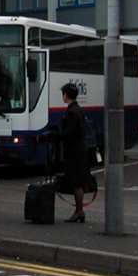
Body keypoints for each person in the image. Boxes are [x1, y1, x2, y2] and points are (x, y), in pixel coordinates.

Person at [53, 83, 90, 223]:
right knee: (77, 182)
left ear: (66, 95)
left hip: (74, 152)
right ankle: (79, 211)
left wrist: (58, 135)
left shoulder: (71, 112)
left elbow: (69, 133)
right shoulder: (78, 109)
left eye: (63, 94)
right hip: (79, 150)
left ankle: (79, 211)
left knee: (76, 183)